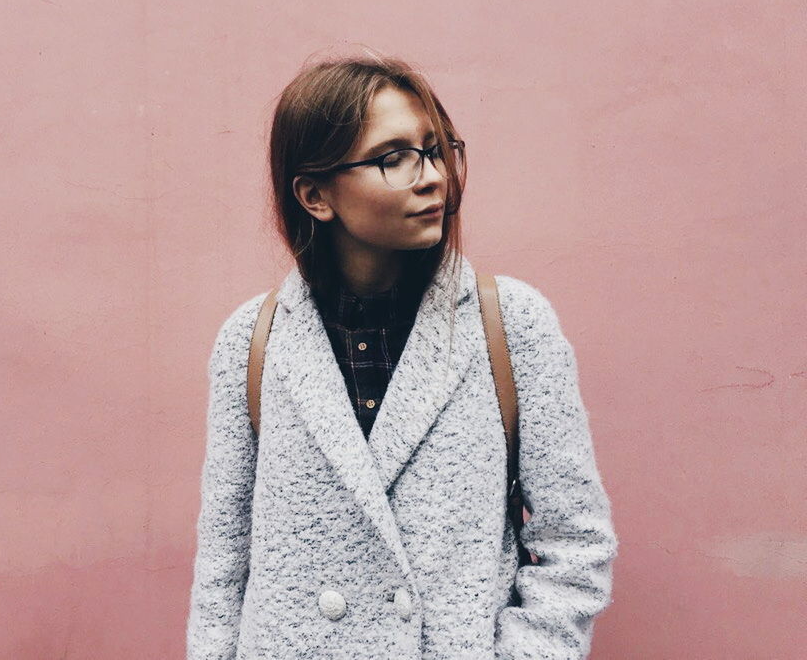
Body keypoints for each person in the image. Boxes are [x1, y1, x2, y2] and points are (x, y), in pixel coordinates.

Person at [185, 53, 619, 659]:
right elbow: (224, 564)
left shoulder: (511, 324)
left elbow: (574, 540)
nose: (432, 176)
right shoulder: (252, 342)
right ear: (315, 195)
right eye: (394, 158)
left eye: (435, 149)